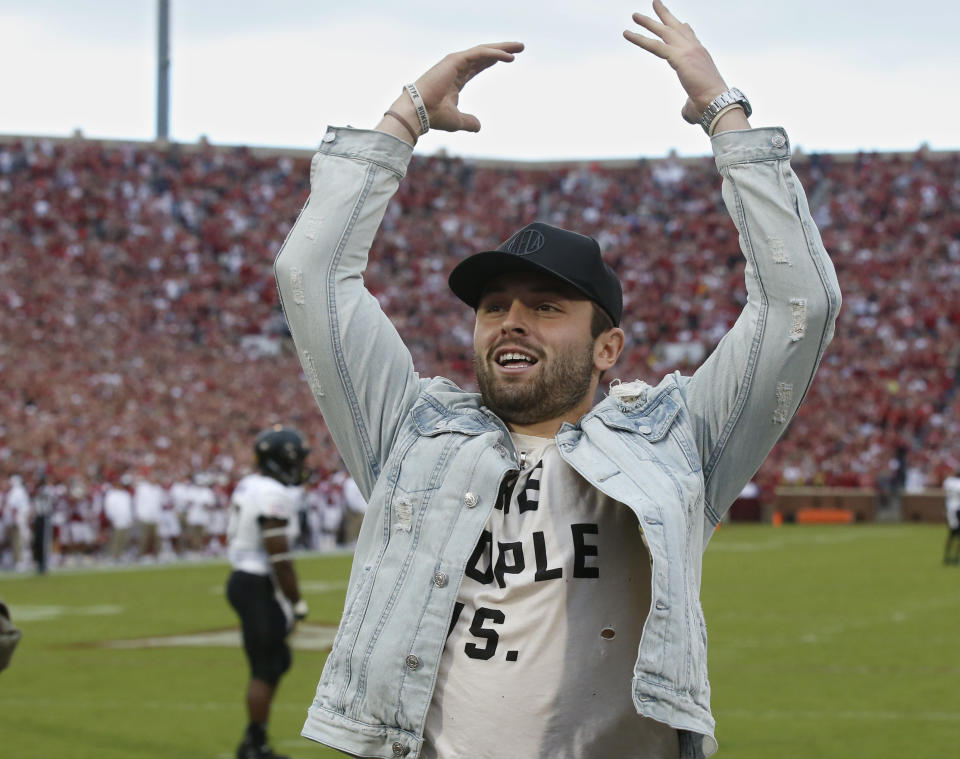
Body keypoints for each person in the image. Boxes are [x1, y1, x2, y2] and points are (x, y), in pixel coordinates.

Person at [274, 3, 841, 757]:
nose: (511, 321)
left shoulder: (679, 444)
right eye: (494, 306)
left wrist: (722, 111)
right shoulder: (406, 435)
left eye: (546, 307)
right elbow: (312, 275)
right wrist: (402, 118)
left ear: (608, 348)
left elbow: (800, 303)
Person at [226, 426, 311, 759]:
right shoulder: (272, 493)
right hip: (257, 582)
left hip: (244, 578)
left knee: (274, 662)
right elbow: (279, 556)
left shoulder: (251, 484)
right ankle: (254, 744)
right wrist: (296, 601)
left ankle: (254, 740)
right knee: (266, 665)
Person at [942, 470, 960, 565]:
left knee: (952, 535)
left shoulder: (949, 481)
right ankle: (955, 558)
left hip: (950, 510)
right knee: (956, 536)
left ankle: (948, 557)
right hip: (957, 510)